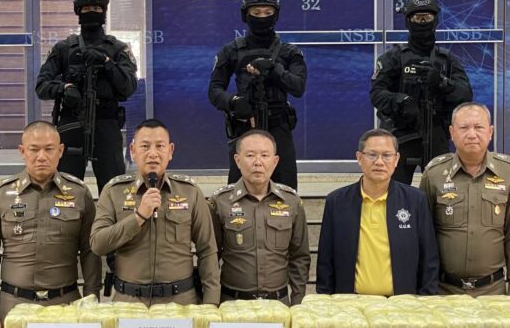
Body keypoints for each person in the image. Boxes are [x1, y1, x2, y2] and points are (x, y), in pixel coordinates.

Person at [0, 121, 101, 328]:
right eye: (34, 149)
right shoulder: (1, 195)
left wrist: (91, 303)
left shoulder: (79, 194)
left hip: (65, 305)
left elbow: (90, 252)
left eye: (49, 149)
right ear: (22, 151)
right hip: (14, 306)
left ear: (60, 151)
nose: (41, 157)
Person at [90, 119, 220, 306]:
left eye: (160, 146)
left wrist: (211, 304)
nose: (153, 153)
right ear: (133, 151)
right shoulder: (114, 191)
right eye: (145, 146)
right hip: (129, 303)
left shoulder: (190, 192)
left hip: (181, 303)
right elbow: (98, 244)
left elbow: (207, 250)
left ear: (170, 151)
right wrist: (138, 217)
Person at [35, 0, 137, 191]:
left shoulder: (117, 49)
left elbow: (129, 87)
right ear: (78, 11)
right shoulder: (64, 49)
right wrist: (64, 88)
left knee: (114, 189)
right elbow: (41, 86)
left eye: (97, 8)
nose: (92, 12)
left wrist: (107, 63)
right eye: (87, 8)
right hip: (72, 123)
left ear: (104, 11)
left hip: (106, 126)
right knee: (66, 190)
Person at [316, 128, 439, 296]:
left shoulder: (415, 200)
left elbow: (429, 258)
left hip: (403, 303)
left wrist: (425, 300)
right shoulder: (337, 202)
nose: (379, 162)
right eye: (372, 155)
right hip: (350, 303)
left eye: (387, 155)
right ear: (359, 158)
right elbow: (325, 260)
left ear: (396, 159)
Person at [208, 0, 306, 191]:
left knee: (285, 193)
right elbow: (215, 90)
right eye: (256, 13)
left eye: (268, 13)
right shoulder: (232, 50)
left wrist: (274, 69)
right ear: (246, 15)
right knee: (238, 193)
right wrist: (233, 102)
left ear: (275, 15)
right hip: (246, 127)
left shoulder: (289, 52)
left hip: (279, 128)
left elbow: (298, 87)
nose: (262, 17)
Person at [370, 0, 472, 185]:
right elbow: (376, 93)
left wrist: (442, 82)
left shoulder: (446, 59)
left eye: (427, 17)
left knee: (443, 192)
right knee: (396, 192)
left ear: (435, 20)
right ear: (408, 21)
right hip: (401, 134)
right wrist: (400, 101)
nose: (423, 22)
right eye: (418, 18)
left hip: (436, 135)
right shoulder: (393, 58)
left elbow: (465, 94)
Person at [208, 130, 310, 305]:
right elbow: (210, 256)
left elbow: (299, 257)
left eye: (264, 155)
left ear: (275, 161)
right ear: (237, 160)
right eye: (250, 155)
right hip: (232, 304)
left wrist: (297, 301)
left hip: (279, 305)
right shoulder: (220, 202)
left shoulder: (291, 202)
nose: (258, 162)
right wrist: (211, 302)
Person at [420, 102, 510, 295]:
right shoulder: (434, 173)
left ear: (490, 132)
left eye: (479, 127)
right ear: (452, 132)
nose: (471, 134)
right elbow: (424, 235)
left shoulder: (507, 172)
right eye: (464, 128)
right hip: (444, 291)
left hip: (493, 291)